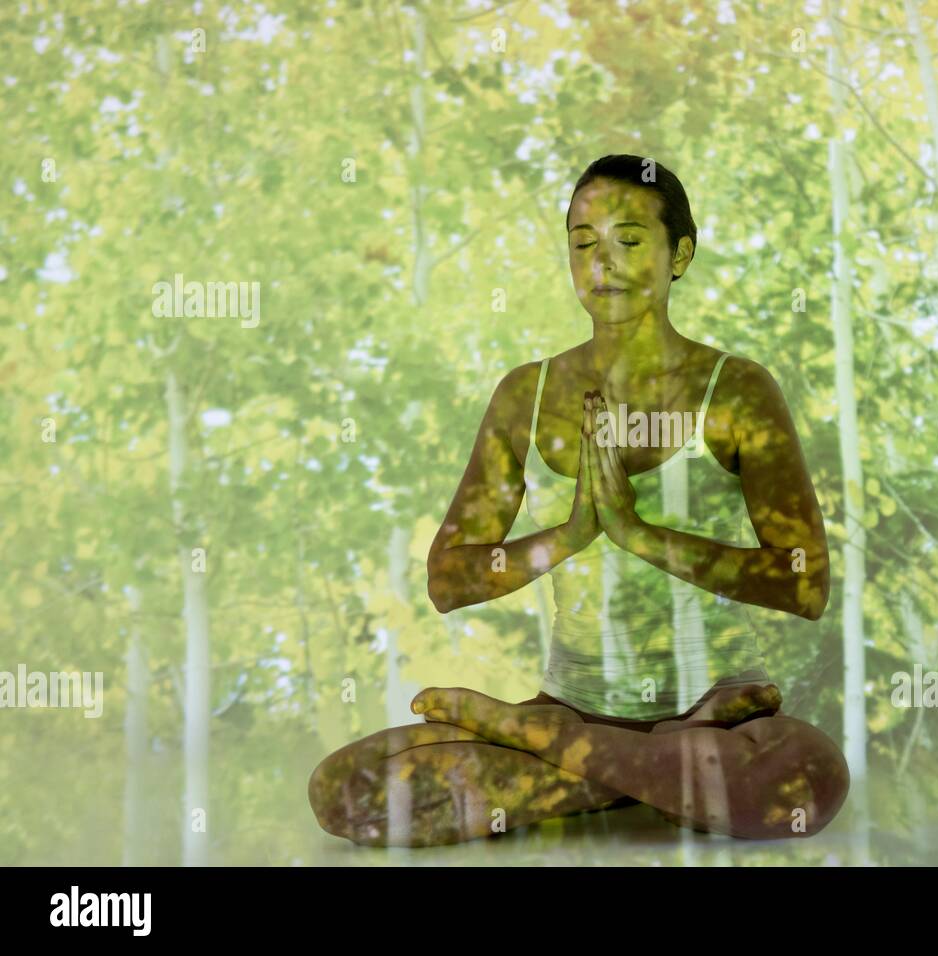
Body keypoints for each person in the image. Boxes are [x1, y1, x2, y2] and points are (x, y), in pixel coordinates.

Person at [308, 154, 849, 846]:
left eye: (628, 240)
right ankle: (636, 776)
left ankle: (543, 748)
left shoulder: (737, 390)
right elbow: (448, 579)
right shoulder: (525, 396)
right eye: (583, 244)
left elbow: (805, 585)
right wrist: (568, 536)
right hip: (578, 711)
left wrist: (638, 533)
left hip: (720, 716)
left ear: (680, 253)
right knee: (343, 790)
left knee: (807, 778)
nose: (604, 262)